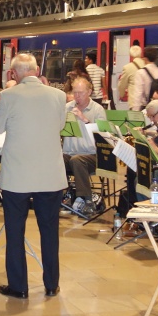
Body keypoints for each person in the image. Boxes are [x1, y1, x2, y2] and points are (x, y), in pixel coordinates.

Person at [0, 53, 67, 299]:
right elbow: (59, 126)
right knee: (49, 231)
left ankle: (19, 287)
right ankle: (51, 284)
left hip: (18, 176)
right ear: (35, 70)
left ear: (14, 74)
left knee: (15, 232)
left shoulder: (9, 96)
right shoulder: (58, 95)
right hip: (50, 176)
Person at [64, 78, 107, 215]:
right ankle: (59, 195)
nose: (77, 96)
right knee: (53, 158)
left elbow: (102, 137)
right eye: (75, 92)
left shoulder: (98, 110)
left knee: (77, 160)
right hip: (70, 153)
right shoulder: (67, 108)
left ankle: (86, 199)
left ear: (89, 92)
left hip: (92, 155)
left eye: (80, 93)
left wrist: (84, 119)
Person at [132, 47, 158, 111]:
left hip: (147, 108)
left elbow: (138, 95)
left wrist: (135, 112)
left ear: (145, 58)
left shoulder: (140, 73)